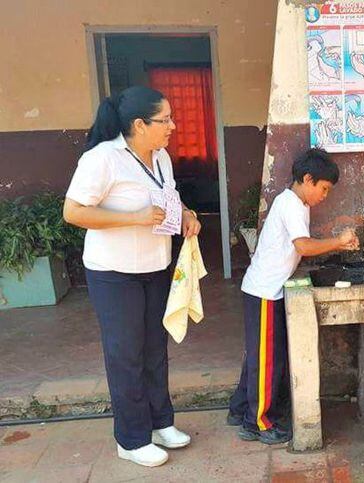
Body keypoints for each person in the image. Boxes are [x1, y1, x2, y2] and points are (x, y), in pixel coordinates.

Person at [63, 86, 202, 467]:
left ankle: (161, 423)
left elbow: (169, 197)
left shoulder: (161, 158)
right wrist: (133, 220)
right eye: (166, 120)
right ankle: (131, 438)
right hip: (113, 273)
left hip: (155, 266)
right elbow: (73, 212)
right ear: (139, 125)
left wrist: (186, 213)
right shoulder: (103, 159)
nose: (173, 126)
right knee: (125, 354)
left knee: (155, 349)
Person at [227, 148, 359, 444]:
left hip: (267, 289)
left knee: (259, 356)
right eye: (324, 189)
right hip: (265, 292)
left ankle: (239, 409)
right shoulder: (289, 204)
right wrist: (337, 241)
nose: (325, 196)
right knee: (266, 361)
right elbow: (304, 246)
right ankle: (259, 422)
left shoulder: (298, 203)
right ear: (308, 179)